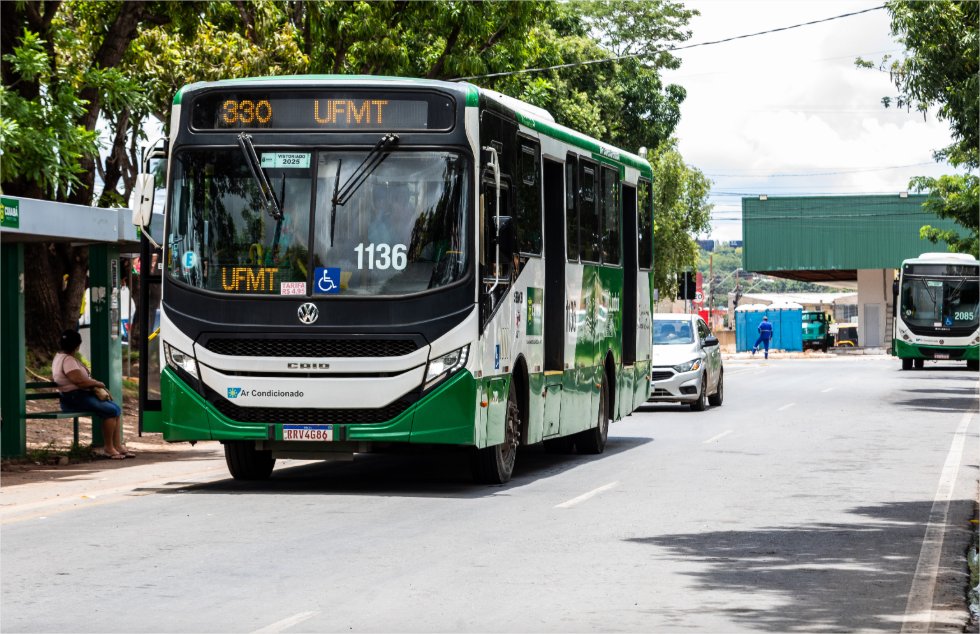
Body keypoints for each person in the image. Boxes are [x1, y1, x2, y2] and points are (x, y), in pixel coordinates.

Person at [52, 329, 133, 459]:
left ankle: (117, 445)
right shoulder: (68, 360)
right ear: (77, 345)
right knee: (111, 410)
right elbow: (79, 381)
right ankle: (109, 447)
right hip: (74, 398)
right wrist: (98, 384)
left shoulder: (61, 357)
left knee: (115, 409)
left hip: (76, 396)